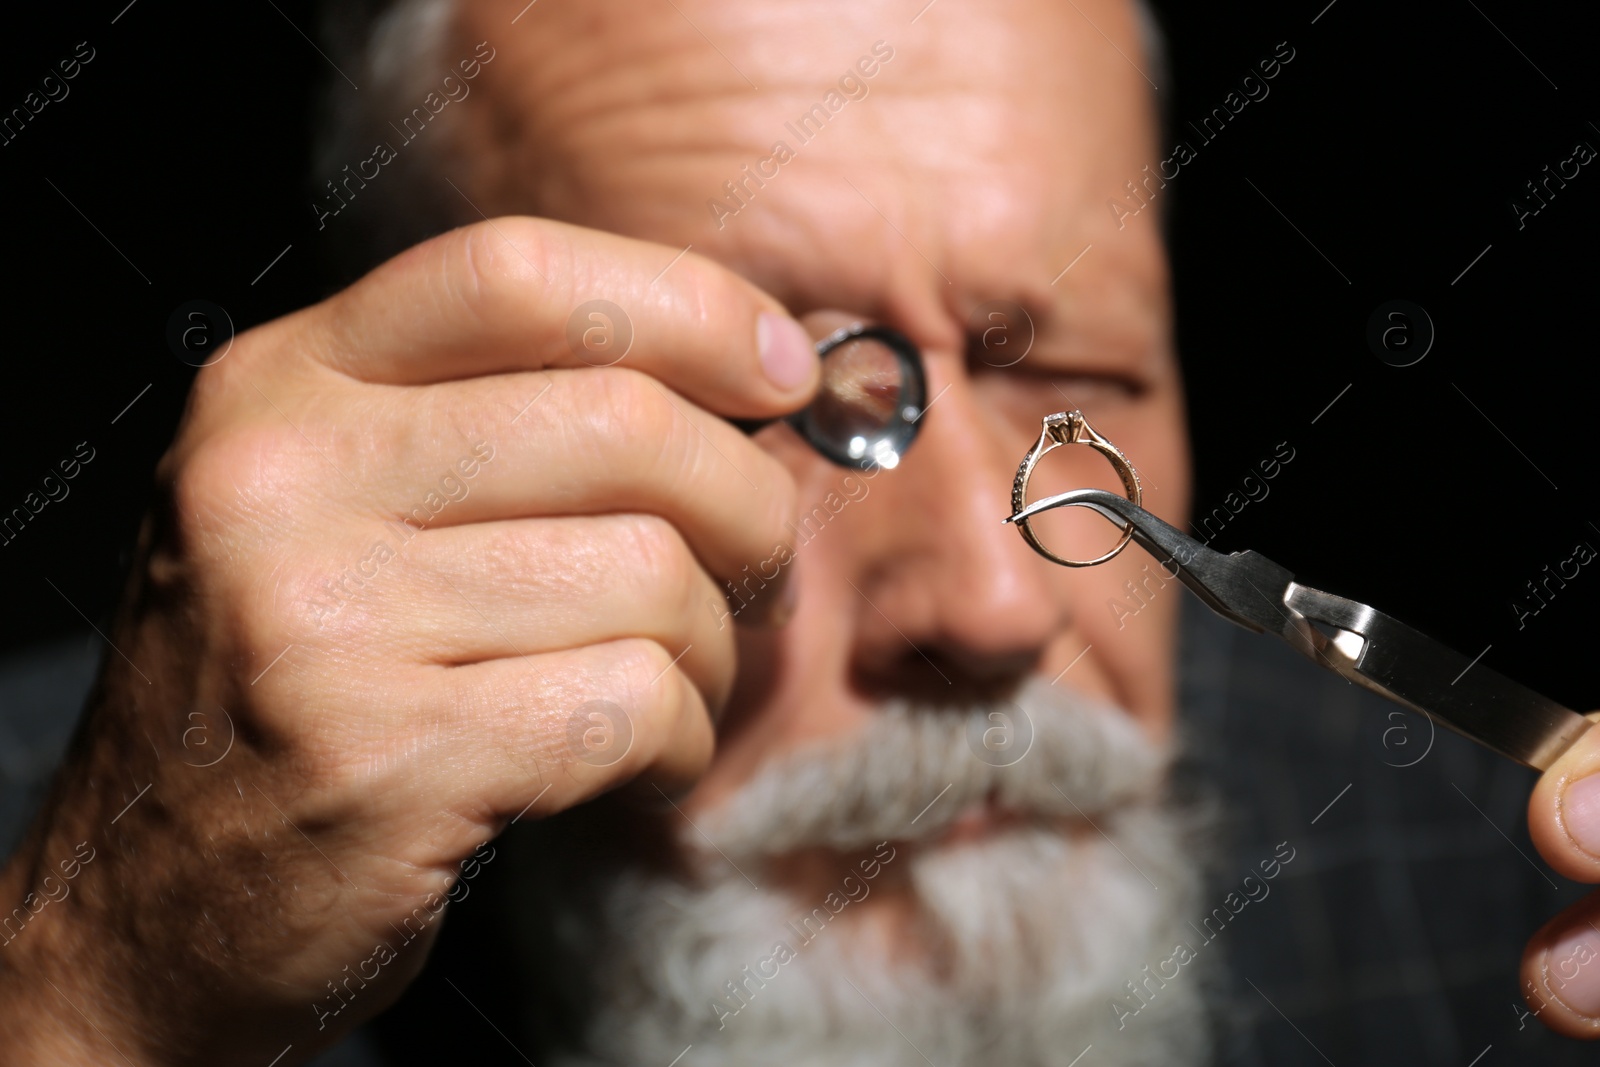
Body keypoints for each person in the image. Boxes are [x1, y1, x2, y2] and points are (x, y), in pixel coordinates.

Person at [2, 0, 1598, 1063]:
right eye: (781, 404)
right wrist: (106, 1004)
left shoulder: (1474, 875)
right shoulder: (88, 904)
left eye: (1083, 374)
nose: (990, 605)